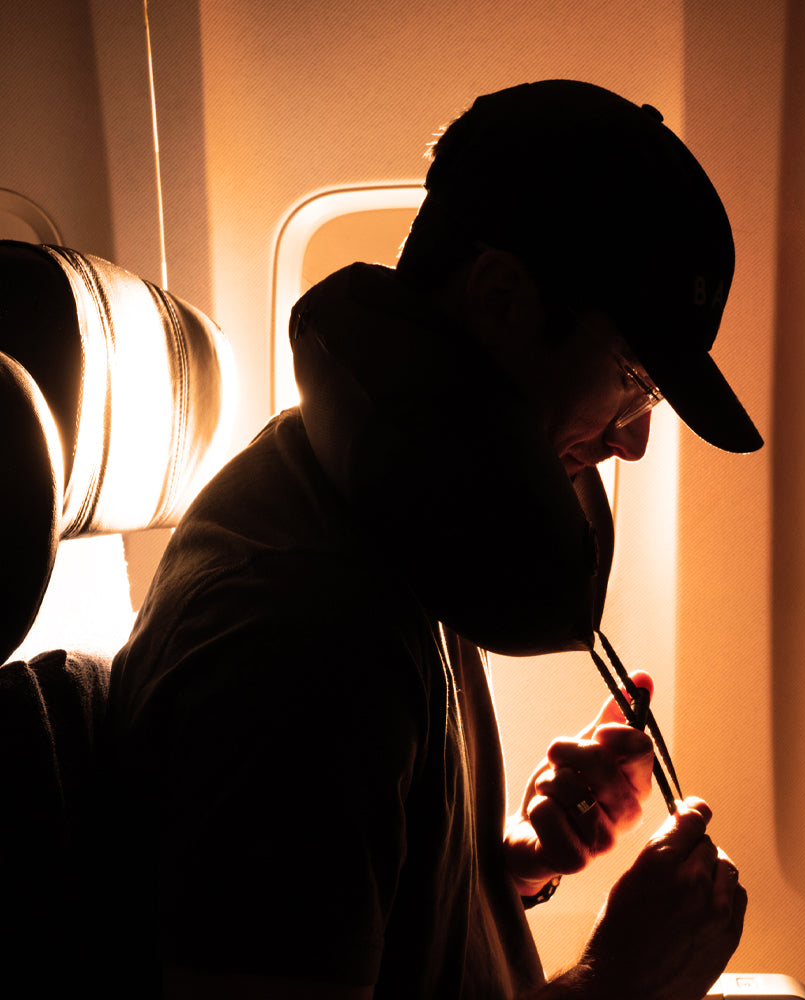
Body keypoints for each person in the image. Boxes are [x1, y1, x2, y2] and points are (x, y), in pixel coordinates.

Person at [103, 80, 760, 999]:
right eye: (633, 380)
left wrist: (514, 869)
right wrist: (621, 983)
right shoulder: (300, 632)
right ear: (501, 295)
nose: (635, 439)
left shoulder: (410, 522)